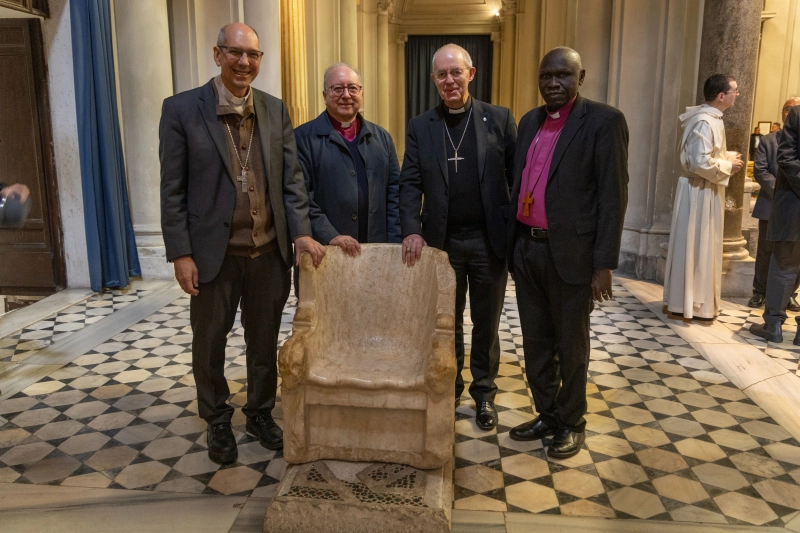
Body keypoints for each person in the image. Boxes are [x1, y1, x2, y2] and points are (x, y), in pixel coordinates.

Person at [159, 23, 325, 465]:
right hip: (215, 254)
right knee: (210, 340)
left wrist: (302, 231)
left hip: (268, 251)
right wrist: (181, 252)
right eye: (235, 53)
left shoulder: (274, 109)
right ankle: (216, 419)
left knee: (264, 339)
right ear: (218, 55)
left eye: (253, 55)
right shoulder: (181, 110)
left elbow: (292, 181)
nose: (244, 63)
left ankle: (259, 412)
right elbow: (171, 188)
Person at [505, 47, 628, 459]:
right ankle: (547, 414)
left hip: (571, 254)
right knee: (536, 341)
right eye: (546, 76)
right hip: (527, 248)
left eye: (562, 75)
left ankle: (572, 421)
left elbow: (613, 196)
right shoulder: (529, 122)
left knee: (571, 345)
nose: (552, 83)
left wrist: (604, 264)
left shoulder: (604, 121)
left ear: (581, 76)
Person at [399, 43, 516, 430]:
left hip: (488, 242)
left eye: (456, 72)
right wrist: (412, 230)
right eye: (442, 74)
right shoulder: (421, 126)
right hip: (442, 244)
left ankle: (483, 394)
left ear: (471, 73)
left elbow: (516, 179)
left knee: (486, 322)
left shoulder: (499, 119)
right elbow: (409, 183)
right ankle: (450, 388)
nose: (450, 80)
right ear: (433, 79)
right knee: (446, 322)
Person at [295, 63, 401, 256]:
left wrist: (394, 245)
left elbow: (394, 195)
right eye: (338, 88)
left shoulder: (382, 138)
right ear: (324, 95)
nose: (346, 95)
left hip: (377, 251)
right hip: (326, 250)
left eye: (353, 88)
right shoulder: (302, 138)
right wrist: (330, 235)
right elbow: (300, 198)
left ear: (361, 93)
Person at [663, 74, 743, 320]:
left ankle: (695, 301)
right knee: (696, 244)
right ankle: (690, 302)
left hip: (704, 189)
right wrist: (728, 165)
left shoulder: (710, 118)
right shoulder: (705, 121)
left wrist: (724, 156)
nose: (737, 95)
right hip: (699, 191)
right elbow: (699, 162)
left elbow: (704, 154)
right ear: (721, 96)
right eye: (734, 91)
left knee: (700, 245)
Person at [749, 105, 800, 344]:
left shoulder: (798, 113)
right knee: (785, 264)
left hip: (794, 204)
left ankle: (773, 326)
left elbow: (788, 158)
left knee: (785, 265)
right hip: (794, 206)